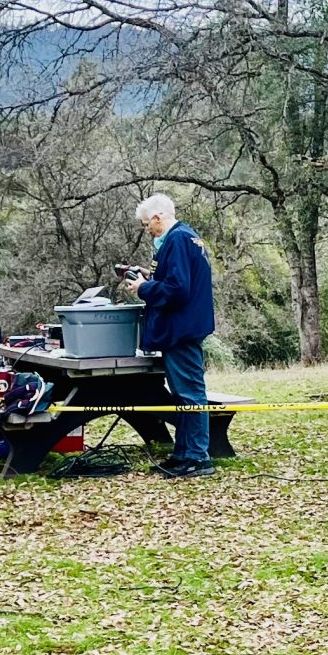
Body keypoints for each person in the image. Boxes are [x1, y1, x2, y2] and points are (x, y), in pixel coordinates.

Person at [121, 193, 217, 479]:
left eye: (146, 224)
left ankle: (198, 457)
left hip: (181, 330)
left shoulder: (176, 240)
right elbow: (177, 280)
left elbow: (177, 289)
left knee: (190, 394)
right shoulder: (188, 237)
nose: (147, 230)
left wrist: (143, 289)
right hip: (183, 328)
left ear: (157, 217)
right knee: (182, 394)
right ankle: (183, 453)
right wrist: (148, 279)